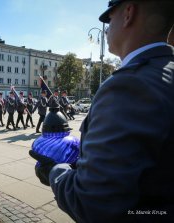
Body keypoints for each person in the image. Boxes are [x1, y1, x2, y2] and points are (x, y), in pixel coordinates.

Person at [30, 0, 174, 222]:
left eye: (108, 18)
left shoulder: (128, 86)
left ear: (128, 12)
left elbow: (94, 203)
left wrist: (54, 172)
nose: (106, 28)